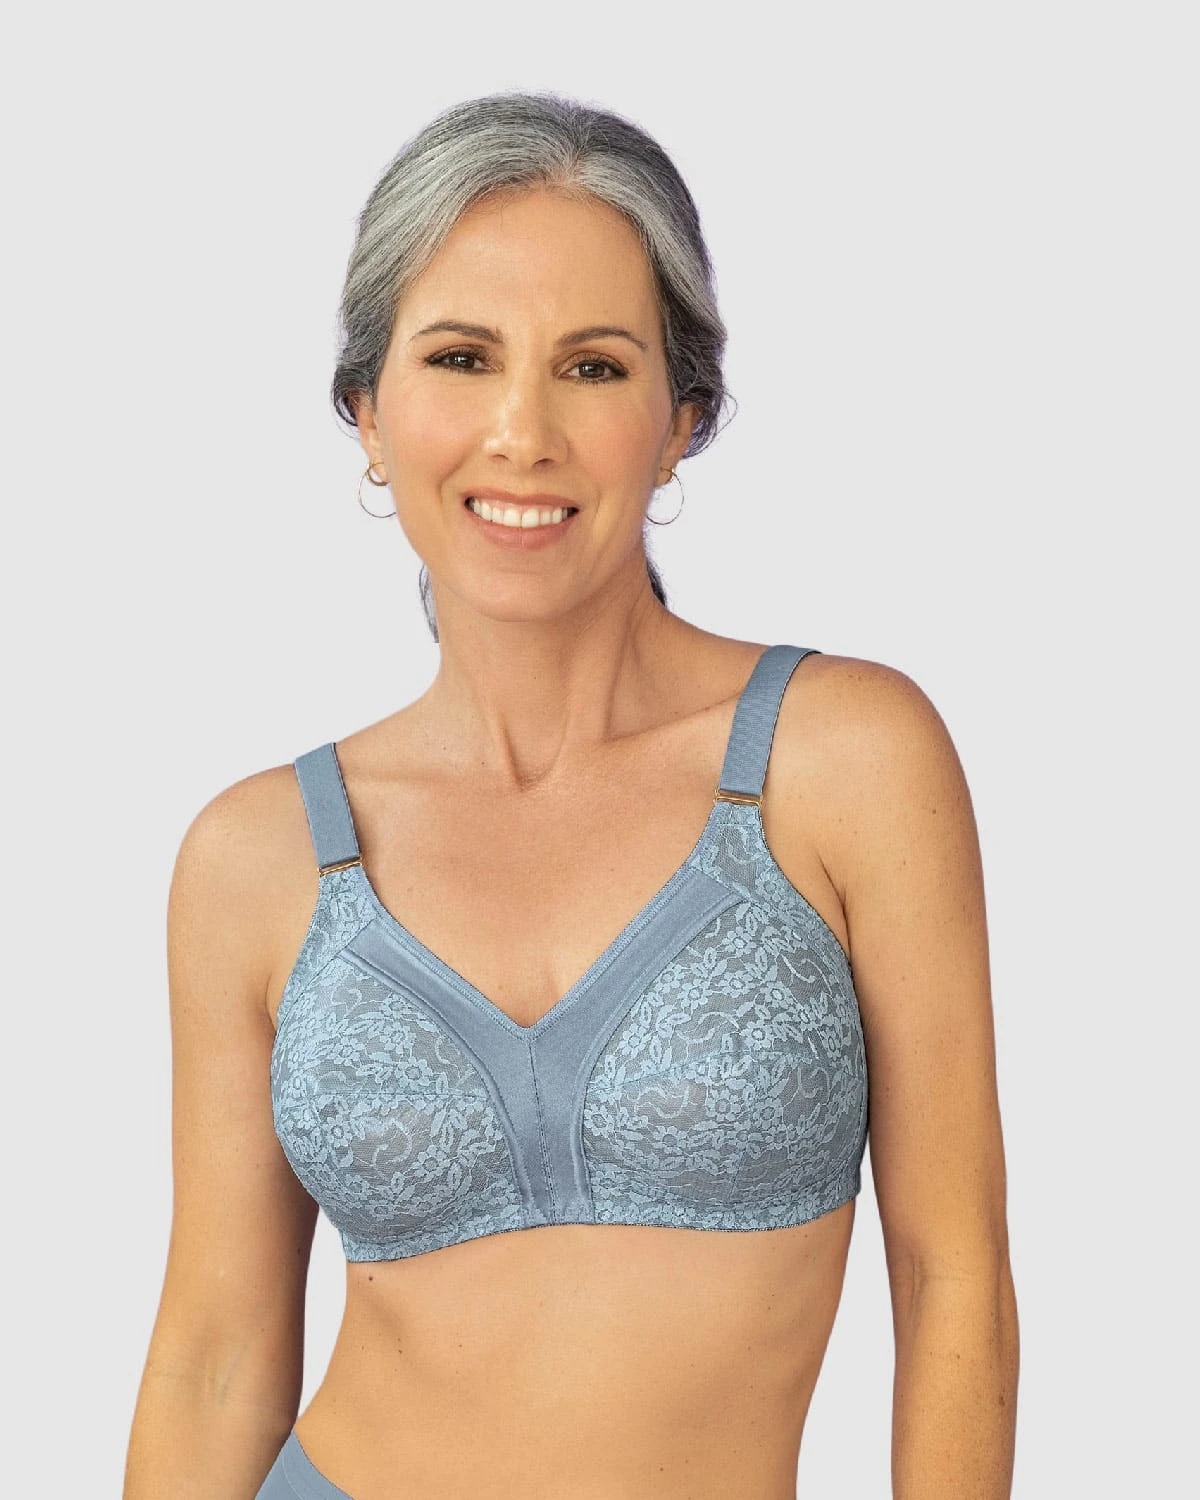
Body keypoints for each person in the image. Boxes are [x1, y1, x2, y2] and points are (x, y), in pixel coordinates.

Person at [124, 90, 1018, 1500]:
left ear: (682, 420)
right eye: (460, 358)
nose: (522, 432)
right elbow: (213, 1357)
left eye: (594, 367)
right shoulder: (257, 858)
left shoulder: (843, 761)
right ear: (368, 415)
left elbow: (948, 1270)